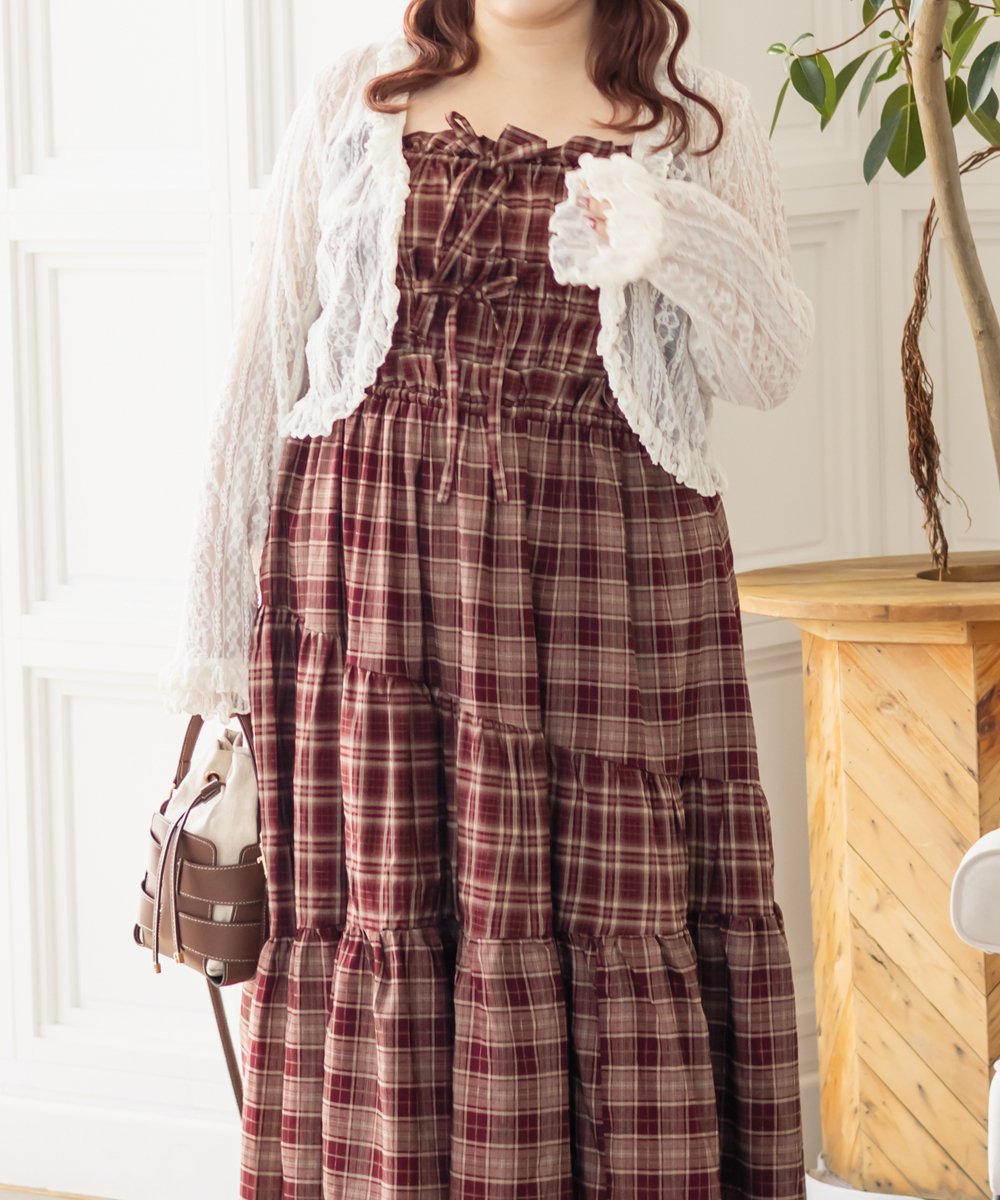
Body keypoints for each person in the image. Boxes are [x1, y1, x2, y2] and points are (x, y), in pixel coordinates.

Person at [160, 0, 815, 1196]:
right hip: (369, 607)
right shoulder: (356, 96)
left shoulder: (696, 117)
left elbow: (769, 365)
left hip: (608, 607)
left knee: (612, 919)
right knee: (388, 917)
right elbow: (263, 368)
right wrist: (216, 656)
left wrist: (665, 229)